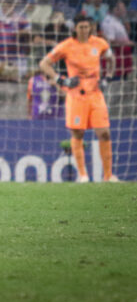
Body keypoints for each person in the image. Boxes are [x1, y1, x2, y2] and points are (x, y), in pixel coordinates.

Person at [39, 14, 118, 183]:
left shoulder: (100, 43)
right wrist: (61, 79)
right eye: (81, 27)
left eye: (86, 27)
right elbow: (44, 63)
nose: (84, 30)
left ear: (90, 27)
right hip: (76, 95)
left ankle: (108, 176)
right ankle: (83, 175)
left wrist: (108, 77)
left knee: (104, 133)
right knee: (77, 133)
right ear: (75, 28)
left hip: (96, 94)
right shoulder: (66, 46)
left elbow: (111, 60)